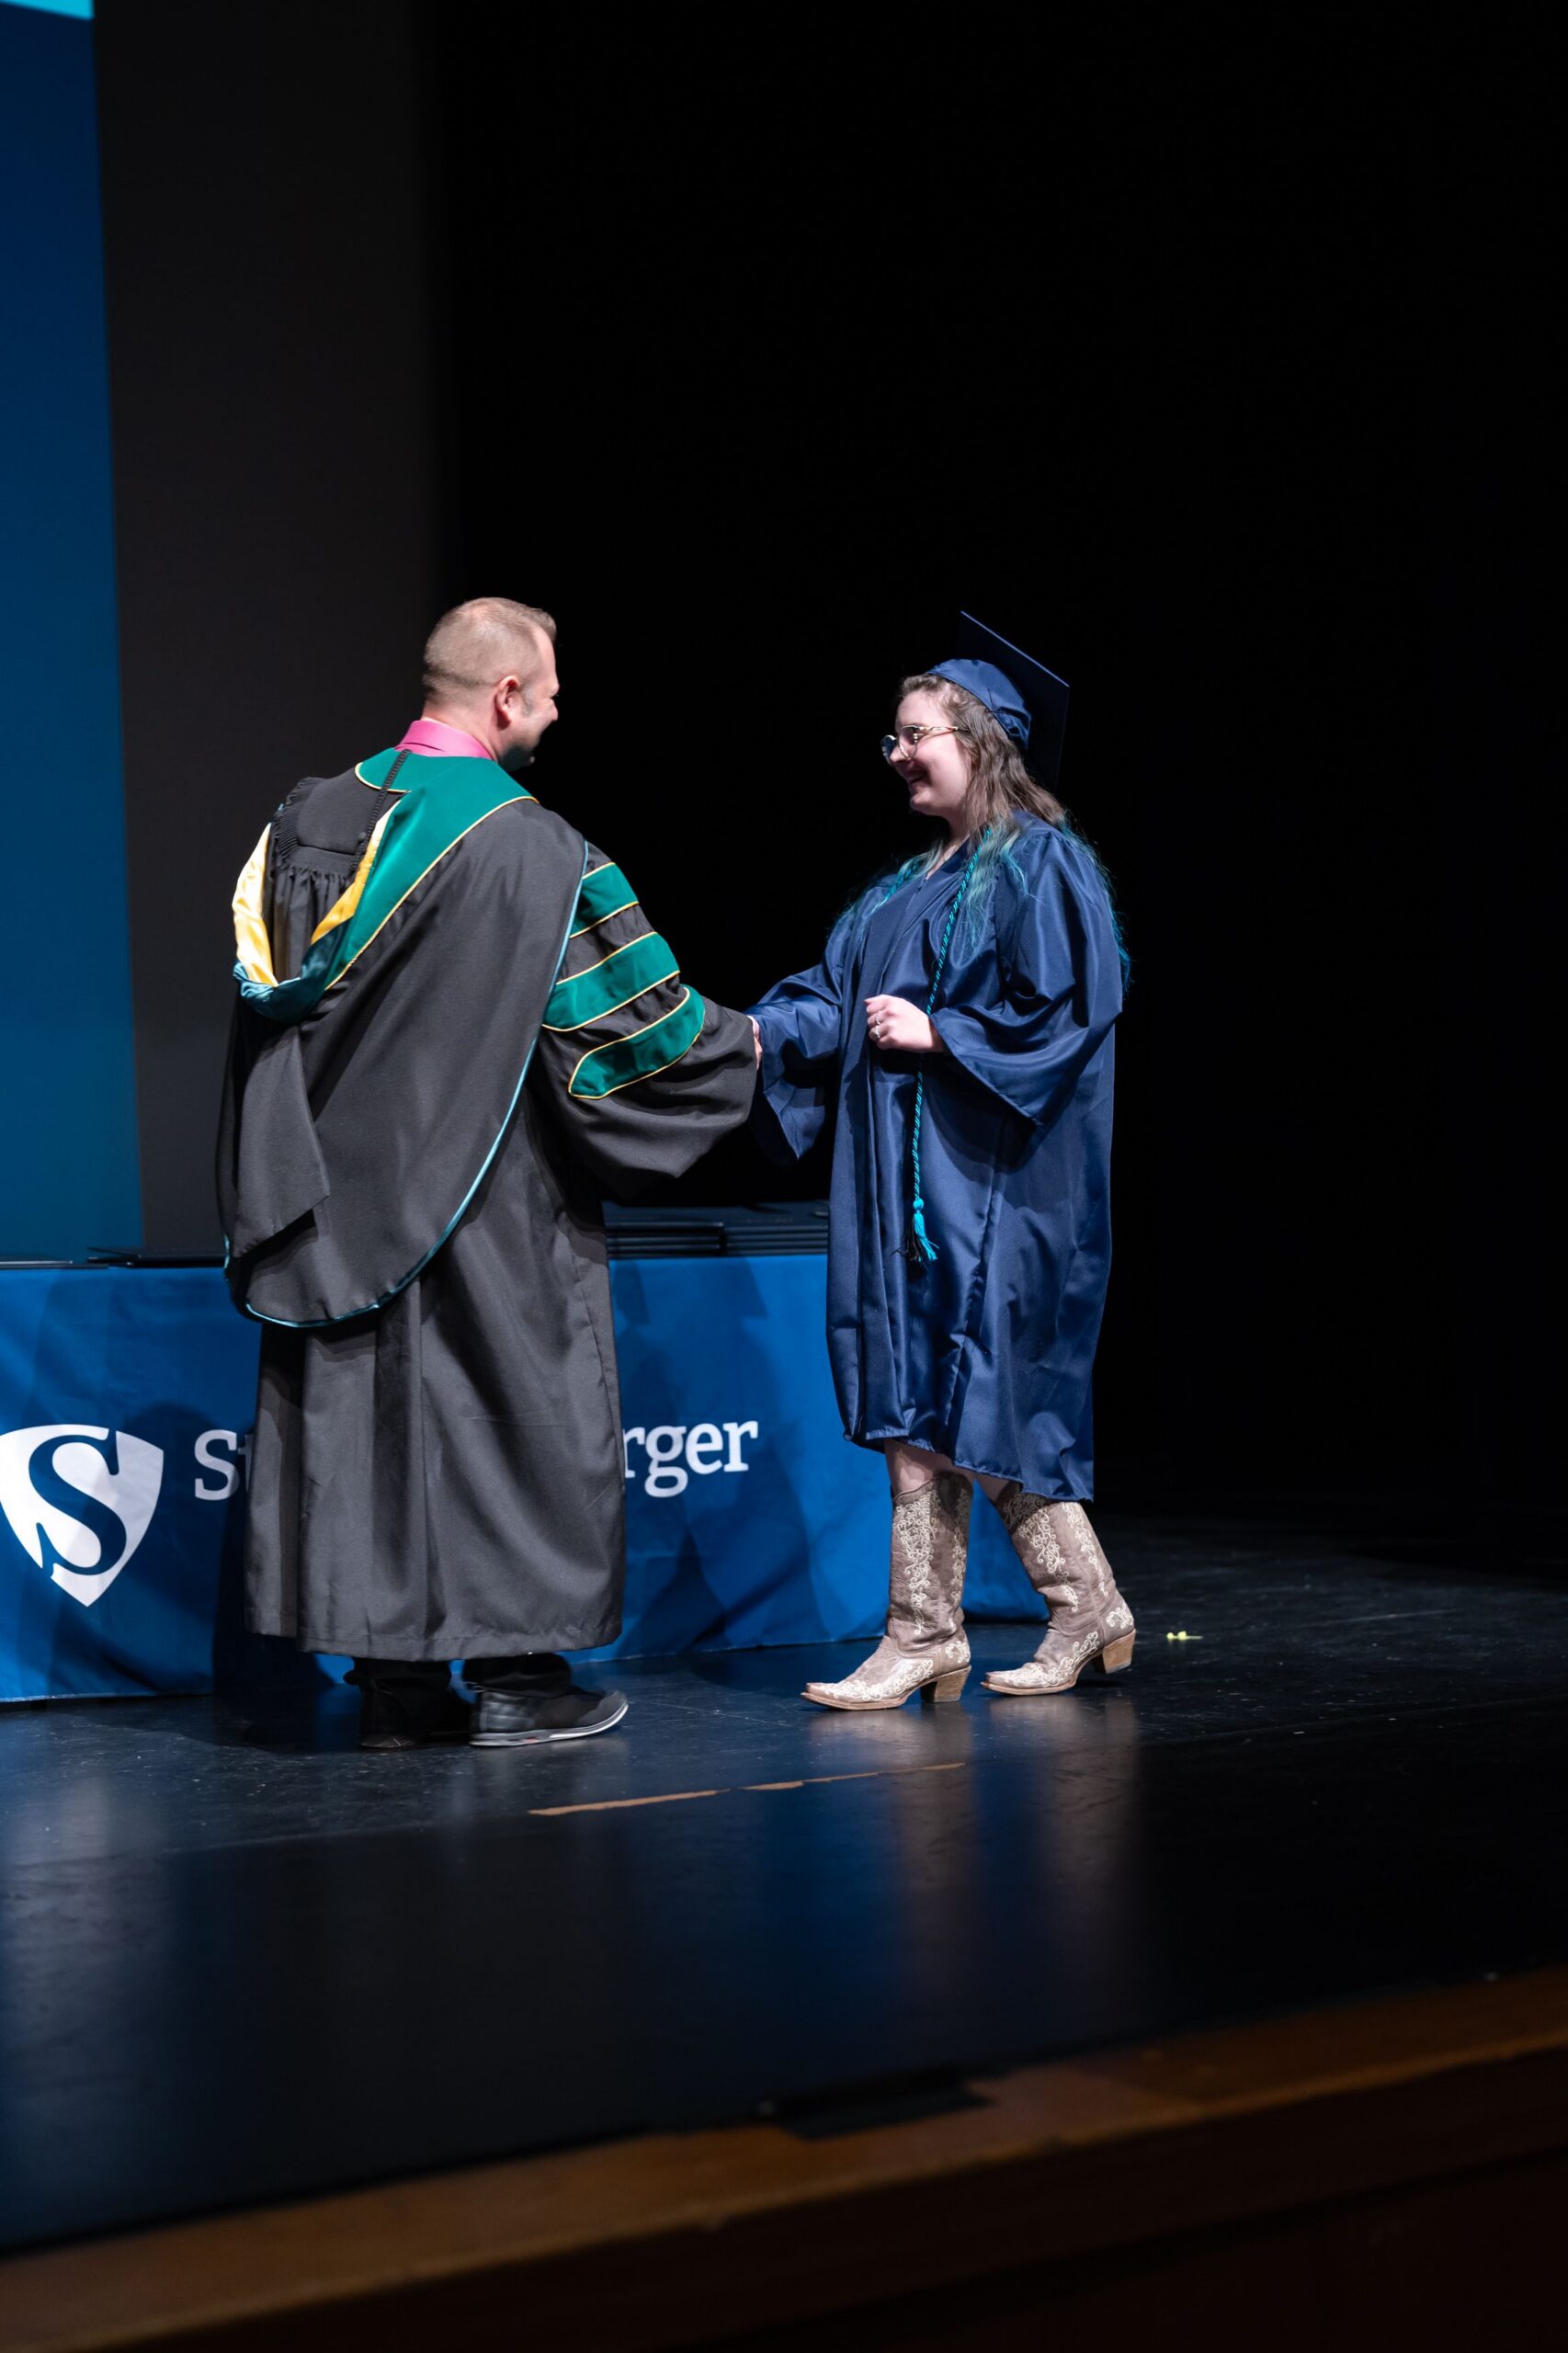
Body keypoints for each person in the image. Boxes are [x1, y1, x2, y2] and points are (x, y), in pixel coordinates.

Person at [219, 597, 757, 1749]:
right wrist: (748, 1047)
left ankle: (394, 1687)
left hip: (329, 1202)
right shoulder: (535, 852)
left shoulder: (307, 820)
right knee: (513, 1416)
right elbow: (632, 1039)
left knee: (364, 1422)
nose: (556, 713)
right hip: (489, 1197)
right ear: (506, 694)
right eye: (549, 693)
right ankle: (518, 1678)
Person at [749, 616, 1131, 1709]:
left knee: (978, 1396)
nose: (898, 753)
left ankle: (1073, 1607)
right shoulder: (900, 887)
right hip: (900, 1188)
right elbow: (833, 997)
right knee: (913, 1397)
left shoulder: (1043, 864)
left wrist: (943, 1033)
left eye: (916, 734)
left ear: (982, 738)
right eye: (893, 737)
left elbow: (1070, 1012)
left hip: (997, 1186)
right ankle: (932, 1631)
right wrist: (750, 1035)